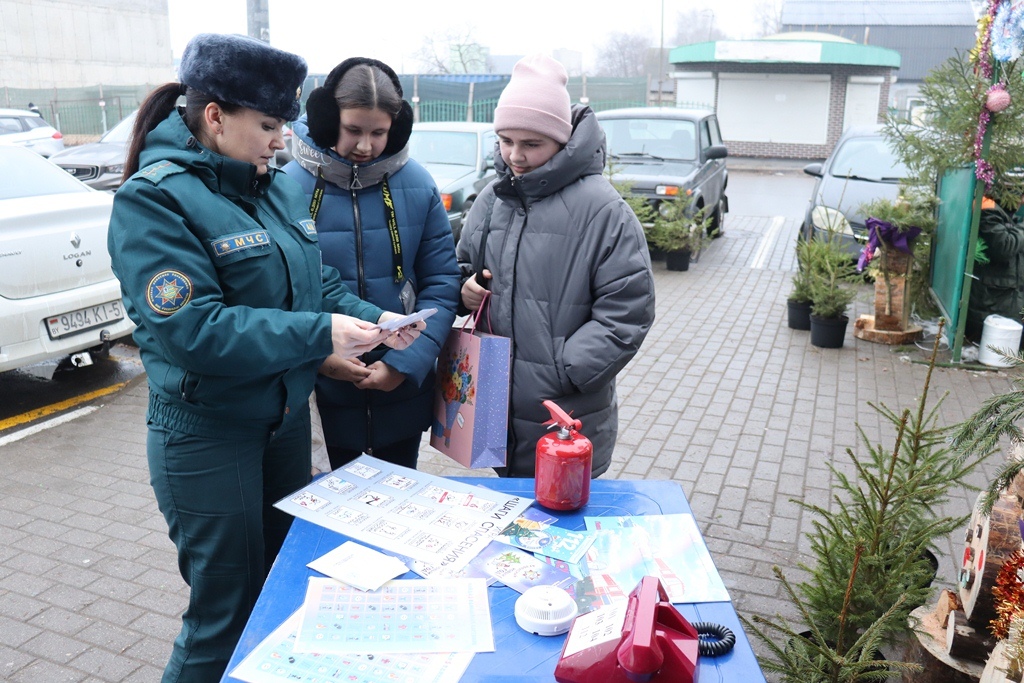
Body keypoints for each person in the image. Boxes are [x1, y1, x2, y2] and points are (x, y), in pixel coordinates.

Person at [106, 34, 422, 682]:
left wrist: (377, 320)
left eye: (284, 125)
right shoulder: (154, 201)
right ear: (216, 115)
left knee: (281, 593)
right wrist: (319, 335)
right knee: (222, 616)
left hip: (279, 425)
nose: (282, 141)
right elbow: (196, 329)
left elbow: (318, 283)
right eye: (270, 125)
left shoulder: (267, 186)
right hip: (209, 437)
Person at [457, 54, 656, 478]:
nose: (516, 155)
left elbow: (629, 307)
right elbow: (461, 266)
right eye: (506, 140)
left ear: (563, 140)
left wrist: (567, 368)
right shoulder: (491, 201)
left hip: (566, 413)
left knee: (561, 515)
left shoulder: (603, 210)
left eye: (532, 143)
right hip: (497, 409)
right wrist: (466, 289)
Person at [284, 57, 460, 471]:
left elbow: (442, 282)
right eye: (354, 131)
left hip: (400, 394)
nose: (365, 145)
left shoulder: (419, 184)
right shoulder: (286, 187)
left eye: (378, 133)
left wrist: (403, 364)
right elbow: (279, 290)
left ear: (396, 128)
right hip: (320, 395)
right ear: (328, 120)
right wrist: (320, 358)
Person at [965, 196, 1024, 345]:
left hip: (1002, 302)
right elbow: (1004, 246)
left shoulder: (1002, 212)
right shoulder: (987, 208)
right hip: (994, 308)